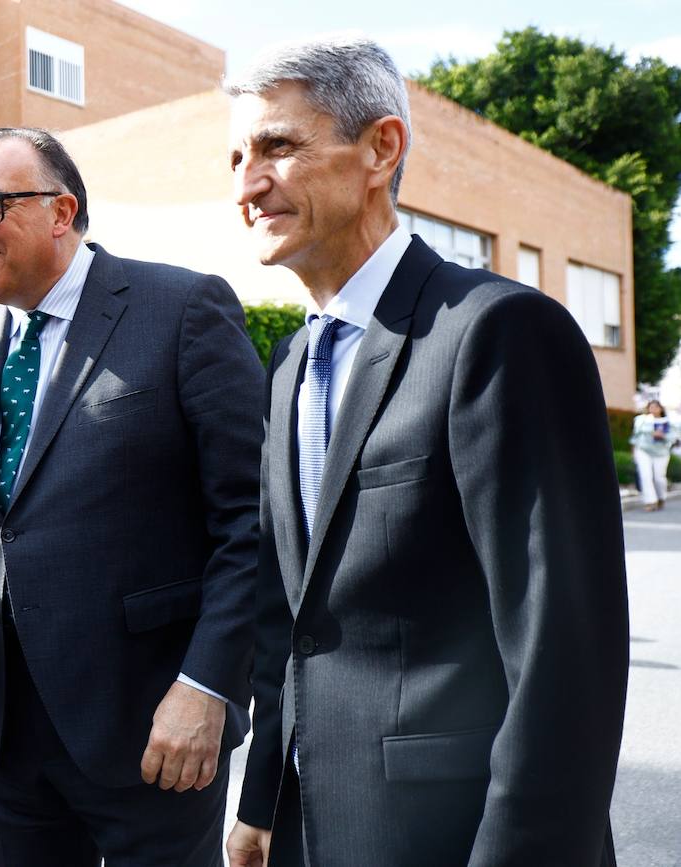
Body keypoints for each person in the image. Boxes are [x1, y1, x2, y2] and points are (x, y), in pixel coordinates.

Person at [222, 36, 629, 867]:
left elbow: (565, 654)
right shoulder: (291, 361)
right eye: (235, 158)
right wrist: (264, 793)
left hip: (457, 838)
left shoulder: (500, 332)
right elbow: (287, 614)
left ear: (381, 149)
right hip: (311, 830)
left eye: (277, 147)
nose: (247, 184)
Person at [0, 126, 265, 866]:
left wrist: (208, 683)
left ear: (62, 210)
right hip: (6, 729)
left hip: (153, 721)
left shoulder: (181, 309)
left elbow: (252, 520)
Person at [631, 399, 676, 511]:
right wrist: (633, 451)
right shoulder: (641, 420)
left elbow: (674, 437)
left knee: (658, 478)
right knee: (645, 476)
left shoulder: (669, 422)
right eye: (651, 407)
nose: (653, 409)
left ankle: (661, 497)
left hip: (661, 453)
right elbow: (635, 437)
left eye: (656, 406)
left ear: (660, 408)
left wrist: (663, 436)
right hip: (643, 450)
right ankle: (650, 501)